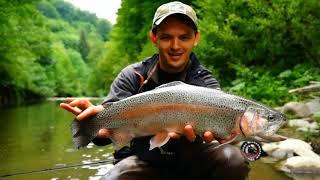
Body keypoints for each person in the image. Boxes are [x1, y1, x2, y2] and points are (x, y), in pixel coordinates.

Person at [60, 1, 249, 179]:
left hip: (194, 160)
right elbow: (104, 137)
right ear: (154, 38)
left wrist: (222, 135)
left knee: (234, 160)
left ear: (196, 39)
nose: (175, 46)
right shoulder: (133, 76)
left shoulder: (205, 82)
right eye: (166, 37)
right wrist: (92, 123)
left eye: (184, 37)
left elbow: (219, 135)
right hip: (146, 159)